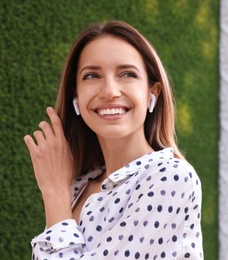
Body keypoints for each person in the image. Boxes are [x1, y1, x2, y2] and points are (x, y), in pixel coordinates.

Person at [24, 20, 203, 259]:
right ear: (76, 96)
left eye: (127, 74)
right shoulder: (80, 185)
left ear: (153, 93)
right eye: (92, 76)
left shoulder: (171, 176)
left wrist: (54, 194)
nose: (110, 91)